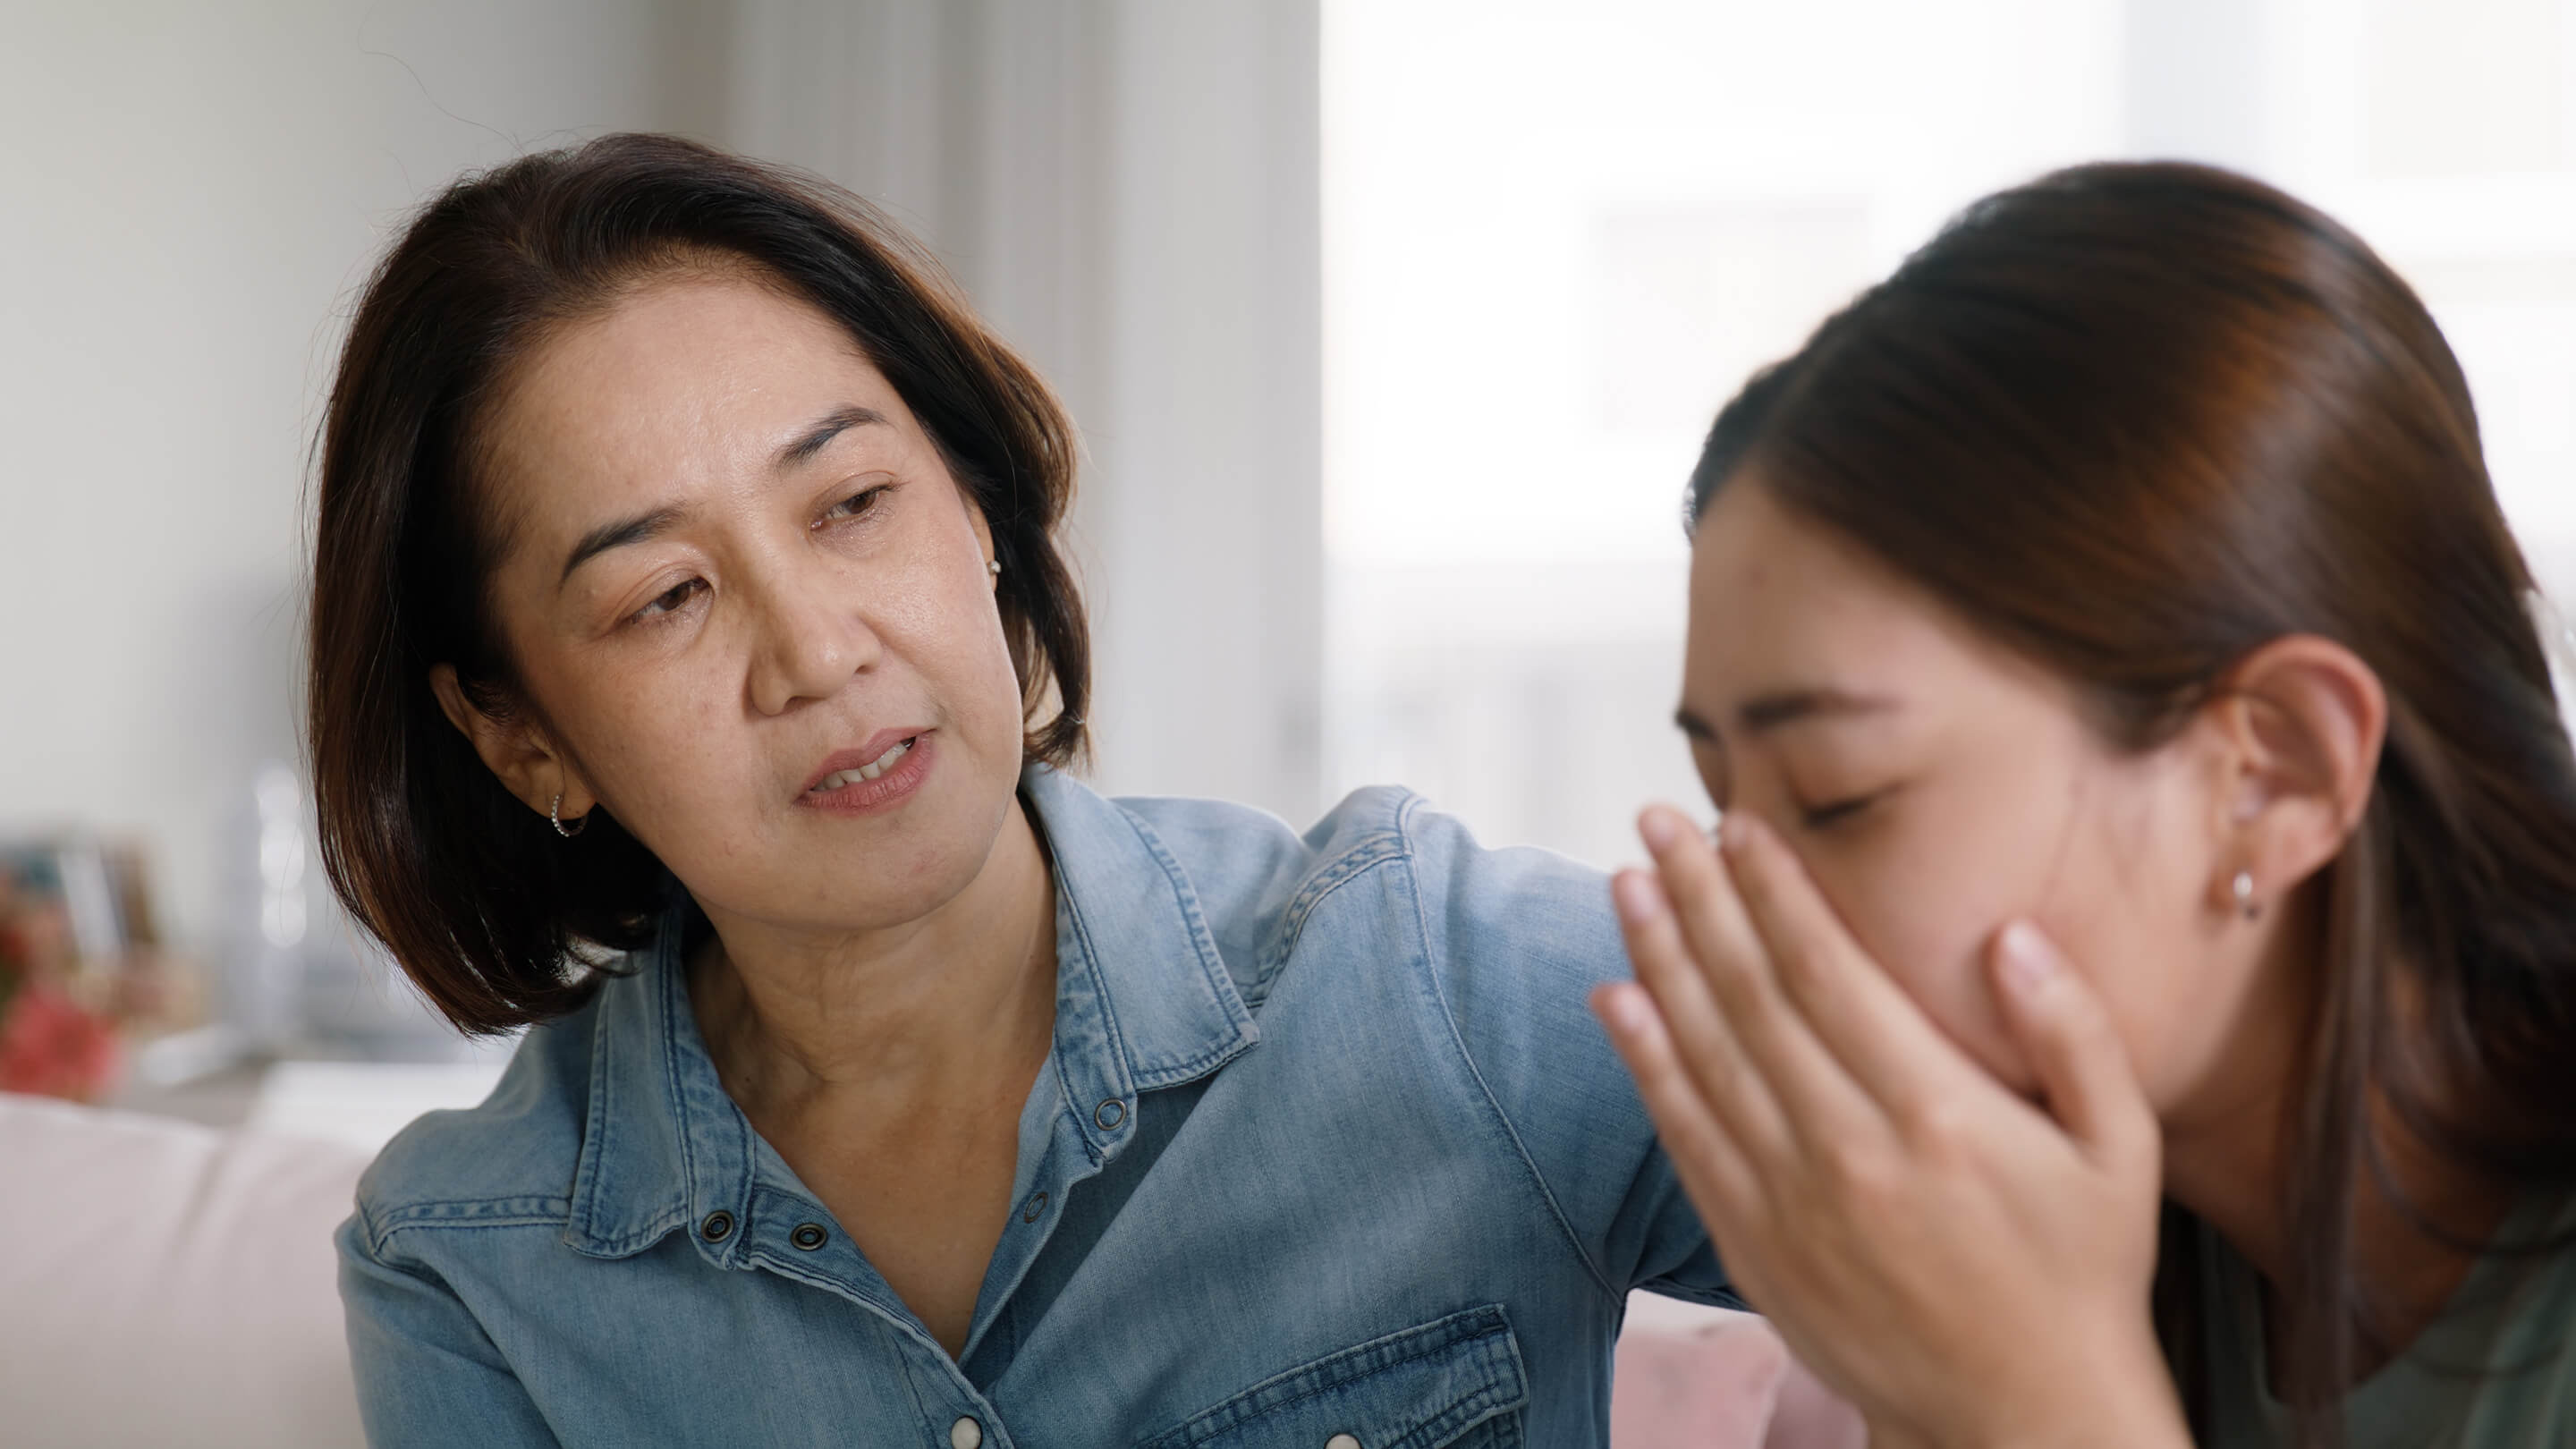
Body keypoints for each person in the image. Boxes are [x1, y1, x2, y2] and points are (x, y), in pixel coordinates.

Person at [309, 132, 1728, 1447]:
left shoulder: (1428, 977)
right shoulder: (466, 1266)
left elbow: (1958, 1211)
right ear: (518, 737)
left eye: (855, 504)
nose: (816, 653)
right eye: (668, 595)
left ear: (975, 504)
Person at [1594, 161, 2576, 1449]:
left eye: (1841, 801)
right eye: (1722, 806)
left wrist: (2043, 1406)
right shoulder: (2052, 1262)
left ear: (2275, 770)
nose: (1745, 920)